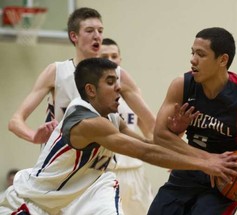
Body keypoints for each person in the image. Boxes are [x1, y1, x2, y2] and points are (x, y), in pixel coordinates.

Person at [0, 58, 237, 215]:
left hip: (80, 198)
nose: (118, 87)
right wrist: (206, 163)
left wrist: (177, 132)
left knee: (108, 184)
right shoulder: (87, 121)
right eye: (110, 82)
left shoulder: (111, 118)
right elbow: (145, 153)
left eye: (117, 81)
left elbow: (150, 143)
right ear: (91, 90)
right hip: (33, 202)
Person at [147, 27, 237, 215]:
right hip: (188, 169)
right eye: (192, 53)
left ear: (222, 60)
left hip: (225, 179)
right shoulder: (181, 86)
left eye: (201, 54)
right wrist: (206, 159)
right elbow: (159, 136)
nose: (193, 59)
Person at [8, 7, 154, 147]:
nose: (97, 36)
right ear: (74, 36)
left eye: (100, 31)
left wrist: (167, 151)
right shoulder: (56, 71)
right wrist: (33, 136)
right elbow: (15, 121)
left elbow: (151, 124)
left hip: (99, 168)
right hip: (59, 165)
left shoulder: (119, 74)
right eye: (89, 31)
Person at [99, 38, 154, 215]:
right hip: (106, 173)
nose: (110, 59)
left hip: (135, 170)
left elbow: (146, 130)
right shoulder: (92, 96)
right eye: (104, 56)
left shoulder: (131, 92)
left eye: (114, 56)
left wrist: (168, 153)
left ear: (120, 60)